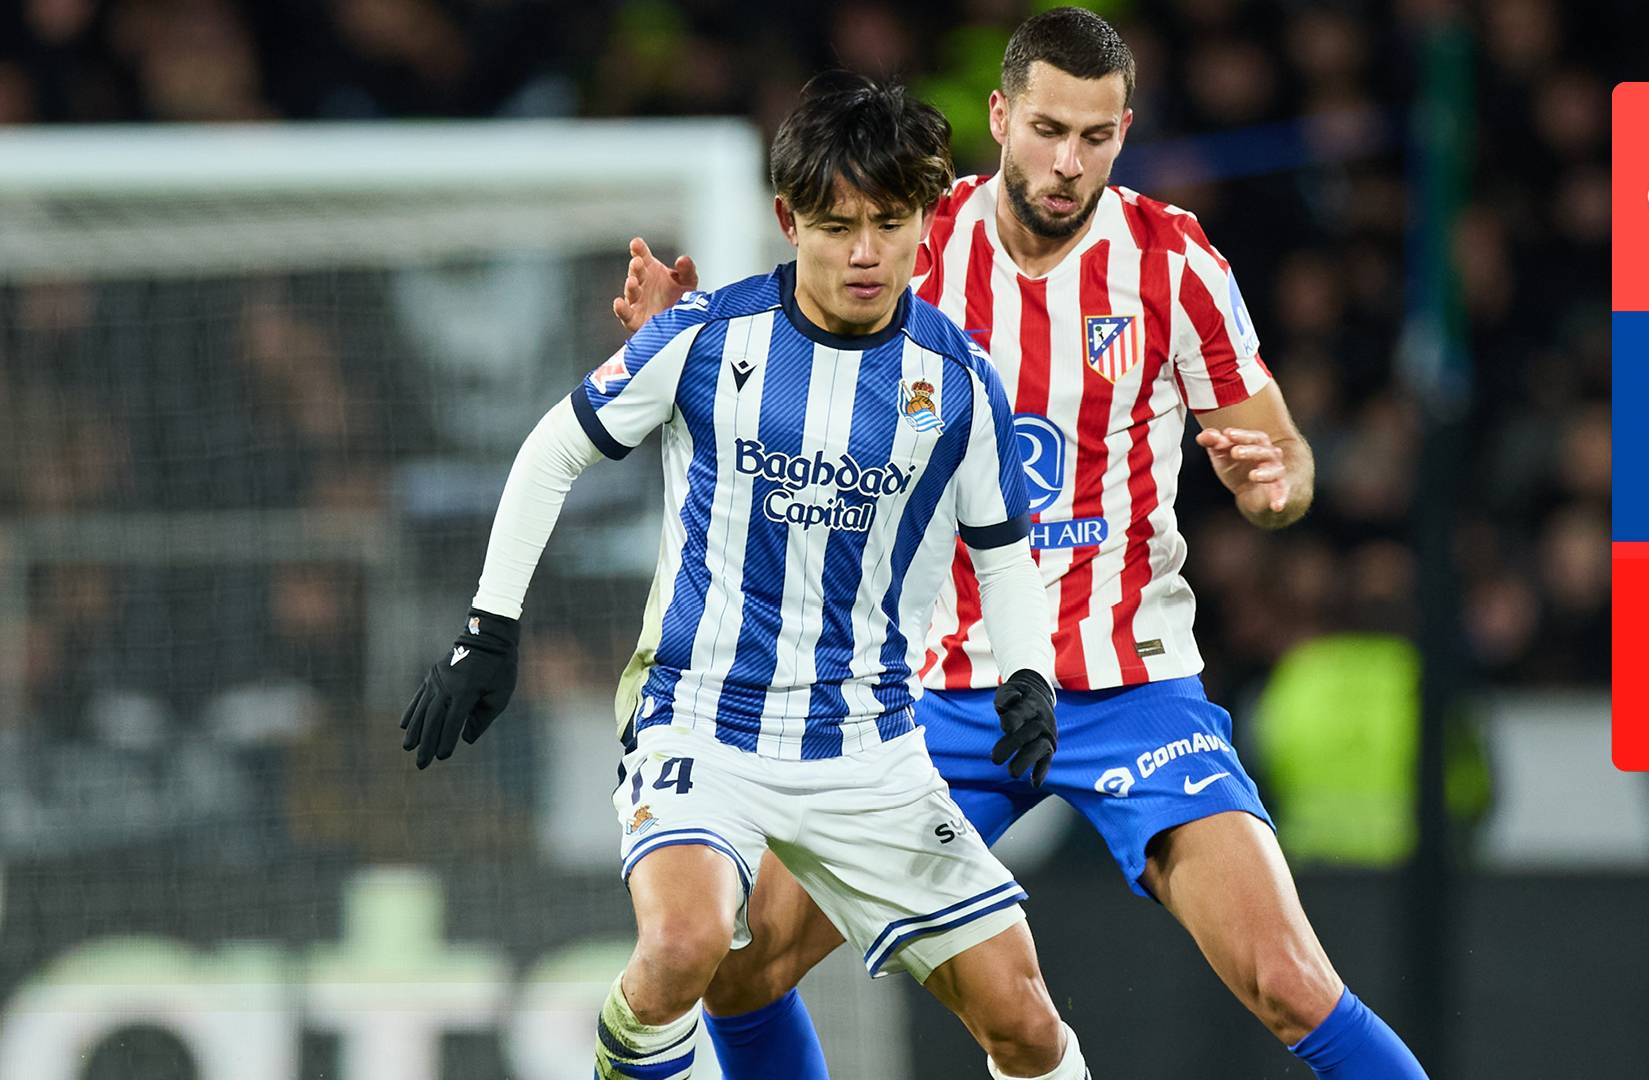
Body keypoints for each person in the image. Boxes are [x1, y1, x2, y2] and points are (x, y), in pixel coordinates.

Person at [611, 9, 1429, 1079]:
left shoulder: (1175, 264)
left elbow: (1282, 458)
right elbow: (784, 367)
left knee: (1289, 982)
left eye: (1094, 137)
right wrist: (679, 347)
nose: (1066, 163)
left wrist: (1273, 487)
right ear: (1000, 117)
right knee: (742, 969)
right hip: (935, 688)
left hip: (1132, 684)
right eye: (1047, 130)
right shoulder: (918, 241)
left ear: (1124, 132)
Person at [402, 72, 1092, 1080]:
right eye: (838, 225)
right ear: (788, 220)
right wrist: (488, 631)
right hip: (701, 724)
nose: (865, 253)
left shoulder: (959, 383)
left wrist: (1027, 673)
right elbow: (552, 452)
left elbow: (1001, 549)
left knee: (1026, 1024)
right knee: (684, 947)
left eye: (890, 223)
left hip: (869, 746)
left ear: (928, 220)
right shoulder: (703, 337)